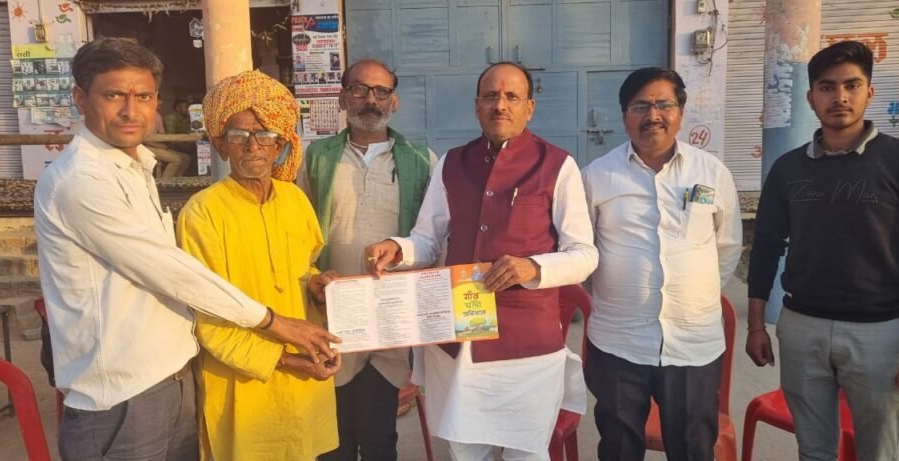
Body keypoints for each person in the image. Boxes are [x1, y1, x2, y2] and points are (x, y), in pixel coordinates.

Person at [34, 38, 339, 461]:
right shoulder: (83, 182)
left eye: (143, 96)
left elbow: (302, 266)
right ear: (82, 99)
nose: (130, 110)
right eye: (113, 95)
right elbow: (178, 277)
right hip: (124, 394)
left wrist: (317, 287)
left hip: (174, 381)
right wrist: (277, 328)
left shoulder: (136, 169)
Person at [365, 61, 598, 460]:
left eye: (512, 97)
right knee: (464, 450)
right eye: (491, 96)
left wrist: (534, 267)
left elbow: (584, 254)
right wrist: (399, 249)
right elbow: (428, 238)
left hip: (527, 346)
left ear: (529, 107)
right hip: (458, 339)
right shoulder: (453, 163)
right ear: (477, 106)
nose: (500, 105)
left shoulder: (557, 165)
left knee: (525, 452)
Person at [746, 40, 899, 461]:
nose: (840, 97)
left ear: (869, 92)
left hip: (879, 333)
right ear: (811, 97)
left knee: (877, 453)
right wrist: (756, 326)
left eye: (852, 85)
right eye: (827, 87)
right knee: (813, 451)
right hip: (802, 328)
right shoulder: (788, 169)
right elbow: (767, 246)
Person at [580, 67, 742, 461]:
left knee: (692, 448)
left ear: (680, 113)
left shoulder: (711, 172)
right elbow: (582, 252)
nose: (653, 115)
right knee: (618, 449)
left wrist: (695, 295)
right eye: (640, 106)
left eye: (663, 104)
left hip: (693, 345)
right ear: (625, 116)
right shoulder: (597, 176)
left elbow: (727, 246)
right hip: (618, 342)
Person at [178, 70, 341, 460]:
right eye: (239, 135)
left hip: (304, 379)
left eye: (265, 135)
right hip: (241, 386)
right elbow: (208, 318)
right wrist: (288, 360)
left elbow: (303, 268)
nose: (253, 146)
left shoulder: (295, 200)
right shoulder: (202, 213)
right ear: (221, 145)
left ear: (280, 144)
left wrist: (316, 288)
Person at [296, 59, 436, 461]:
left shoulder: (421, 160)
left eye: (381, 91)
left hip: (388, 325)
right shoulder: (317, 158)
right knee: (332, 441)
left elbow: (432, 236)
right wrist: (312, 280)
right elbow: (298, 232)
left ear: (395, 101)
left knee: (378, 439)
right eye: (359, 89)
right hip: (329, 319)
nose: (370, 100)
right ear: (343, 98)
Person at [145, 95, 190, 177]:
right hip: (145, 147)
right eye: (158, 100)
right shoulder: (142, 116)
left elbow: (162, 134)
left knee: (186, 158)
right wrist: (158, 145)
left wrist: (162, 144)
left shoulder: (157, 116)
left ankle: (177, 180)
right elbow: (140, 139)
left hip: (156, 146)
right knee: (176, 160)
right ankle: (164, 183)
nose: (161, 102)